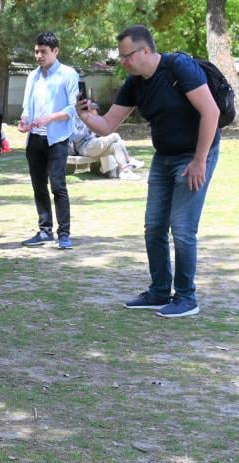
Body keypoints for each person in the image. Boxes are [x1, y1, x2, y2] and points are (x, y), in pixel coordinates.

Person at [77, 25, 220, 318]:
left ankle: (185, 297)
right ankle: (158, 291)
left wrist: (199, 160)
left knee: (182, 228)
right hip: (164, 156)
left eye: (126, 56)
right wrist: (87, 116)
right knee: (154, 226)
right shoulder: (135, 83)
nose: (123, 62)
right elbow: (107, 126)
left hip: (195, 155)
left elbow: (212, 112)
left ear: (145, 50)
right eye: (121, 57)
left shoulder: (178, 67)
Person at [17, 31, 79, 250]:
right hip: (35, 139)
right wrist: (24, 121)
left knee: (58, 185)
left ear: (55, 51)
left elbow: (74, 108)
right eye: (36, 51)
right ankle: (45, 230)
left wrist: (51, 117)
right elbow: (27, 107)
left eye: (43, 51)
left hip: (57, 139)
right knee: (38, 186)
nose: (39, 56)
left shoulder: (68, 74)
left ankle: (64, 234)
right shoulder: (32, 76)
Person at [71, 102, 142, 180]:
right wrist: (87, 127)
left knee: (115, 146)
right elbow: (75, 138)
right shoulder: (76, 120)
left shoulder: (90, 119)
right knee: (115, 136)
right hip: (84, 147)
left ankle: (124, 171)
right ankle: (129, 159)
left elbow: (98, 132)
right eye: (92, 112)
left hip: (93, 144)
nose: (94, 115)